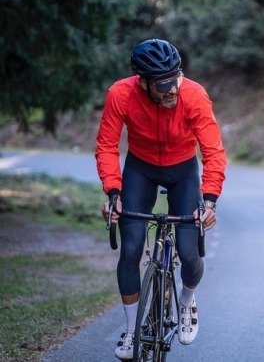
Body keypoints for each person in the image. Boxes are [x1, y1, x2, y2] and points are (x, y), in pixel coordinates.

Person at [95, 38, 226, 360]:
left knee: (189, 250)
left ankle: (186, 302)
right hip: (140, 168)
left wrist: (209, 201)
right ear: (143, 83)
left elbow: (213, 151)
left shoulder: (193, 95)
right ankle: (130, 330)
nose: (172, 89)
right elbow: (107, 145)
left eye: (175, 79)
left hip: (183, 171)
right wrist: (113, 192)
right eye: (163, 84)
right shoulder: (120, 94)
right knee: (130, 248)